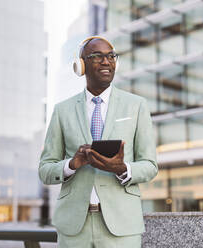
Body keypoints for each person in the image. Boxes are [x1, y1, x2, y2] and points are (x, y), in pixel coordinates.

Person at [39, 36, 158, 248]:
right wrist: (71, 165)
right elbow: (45, 170)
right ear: (81, 65)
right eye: (97, 56)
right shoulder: (62, 111)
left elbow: (150, 165)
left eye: (111, 56)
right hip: (74, 228)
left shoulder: (137, 105)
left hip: (122, 227)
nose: (106, 62)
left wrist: (123, 168)